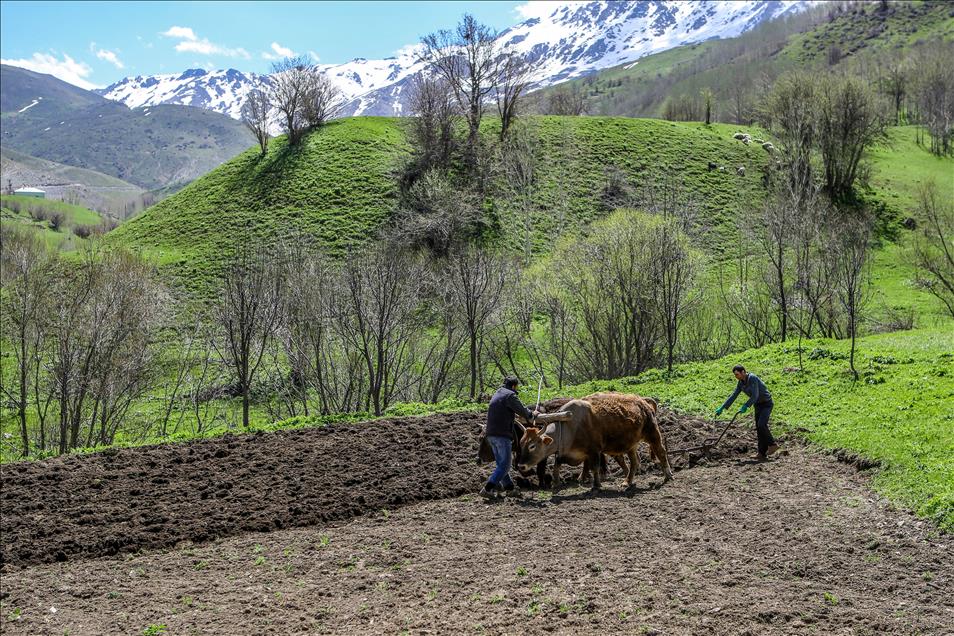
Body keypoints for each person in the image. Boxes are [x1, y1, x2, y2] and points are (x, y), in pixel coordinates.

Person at [480, 376, 539, 499]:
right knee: (505, 465)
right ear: (514, 386)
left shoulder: (497, 394)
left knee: (501, 464)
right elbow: (521, 409)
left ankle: (509, 488)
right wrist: (531, 415)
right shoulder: (509, 396)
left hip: (490, 435)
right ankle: (488, 488)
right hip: (502, 435)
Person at [716, 365, 779, 462]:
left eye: (737, 374)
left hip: (766, 403)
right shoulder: (741, 383)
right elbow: (734, 395)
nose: (736, 376)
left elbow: (755, 395)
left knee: (762, 425)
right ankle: (761, 453)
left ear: (743, 372)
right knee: (759, 428)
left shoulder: (752, 378)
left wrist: (746, 405)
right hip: (757, 405)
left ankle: (773, 445)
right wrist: (723, 407)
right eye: (735, 375)